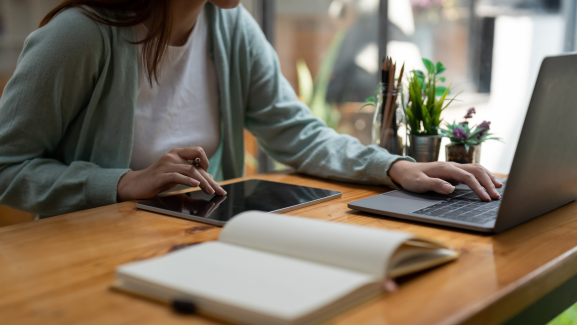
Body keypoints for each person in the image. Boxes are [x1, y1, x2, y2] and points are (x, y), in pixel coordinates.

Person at [0, 0, 501, 218]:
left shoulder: (230, 27)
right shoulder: (81, 36)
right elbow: (7, 166)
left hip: (196, 246)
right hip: (91, 259)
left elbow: (299, 132)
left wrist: (394, 166)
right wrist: (119, 183)